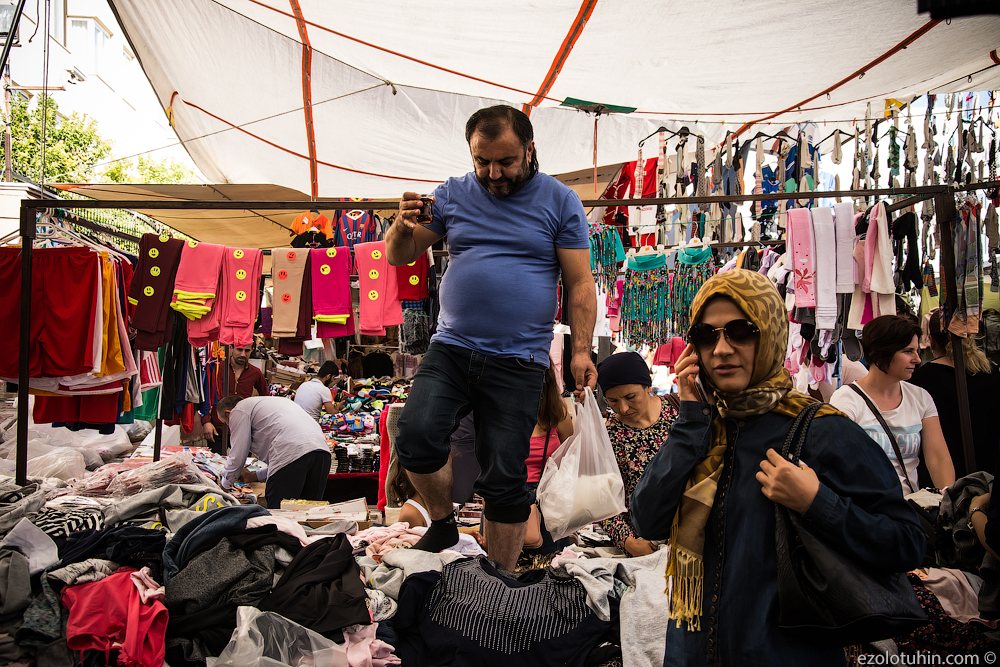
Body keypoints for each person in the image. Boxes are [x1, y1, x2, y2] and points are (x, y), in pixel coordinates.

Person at [630, 269, 925, 665]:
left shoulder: (821, 430)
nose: (721, 349)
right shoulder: (703, 429)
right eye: (706, 335)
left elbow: (907, 542)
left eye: (741, 331)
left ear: (769, 333)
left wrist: (817, 503)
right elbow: (647, 520)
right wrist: (689, 422)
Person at [384, 104, 597, 570]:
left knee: (504, 477)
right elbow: (400, 257)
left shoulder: (560, 201)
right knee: (416, 435)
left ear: (530, 150)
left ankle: (499, 579)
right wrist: (400, 226)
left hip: (520, 360)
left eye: (505, 161)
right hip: (453, 347)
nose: (493, 173)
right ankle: (441, 521)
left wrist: (581, 350)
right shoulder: (452, 194)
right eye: (483, 161)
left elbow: (580, 283)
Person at [831, 315, 955, 492]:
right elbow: (840, 463)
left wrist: (947, 503)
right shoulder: (846, 400)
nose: (917, 359)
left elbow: (938, 458)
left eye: (916, 351)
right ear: (881, 352)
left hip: (912, 510)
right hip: (868, 511)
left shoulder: (920, 397)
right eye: (908, 351)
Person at [595, 351, 678, 557]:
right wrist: (628, 542)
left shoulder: (679, 414)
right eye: (612, 401)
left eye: (630, 397)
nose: (623, 408)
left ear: (647, 386)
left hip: (692, 535)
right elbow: (604, 498)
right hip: (645, 543)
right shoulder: (610, 434)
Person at [909, 309, 1000, 478]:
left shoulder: (921, 378)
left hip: (942, 474)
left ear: (933, 341)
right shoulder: (992, 371)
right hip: (990, 469)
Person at [216, 395, 332, 509]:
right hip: (322, 452)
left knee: (280, 515)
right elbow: (287, 462)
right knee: (308, 513)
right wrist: (254, 476)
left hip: (293, 451)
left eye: (226, 423)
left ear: (228, 413)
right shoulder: (271, 403)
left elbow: (238, 454)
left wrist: (224, 487)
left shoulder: (239, 410)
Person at [203, 344, 270, 453]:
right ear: (231, 348)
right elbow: (205, 396)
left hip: (243, 429)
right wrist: (206, 422)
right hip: (218, 427)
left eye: (247, 350)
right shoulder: (217, 368)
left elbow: (266, 400)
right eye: (239, 349)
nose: (243, 354)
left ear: (252, 350)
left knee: (242, 466)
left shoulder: (255, 372)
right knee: (214, 464)